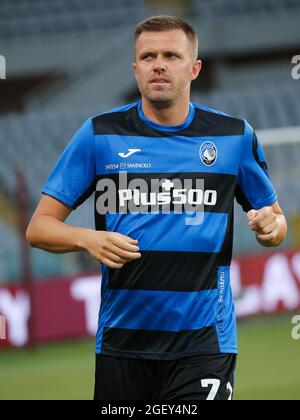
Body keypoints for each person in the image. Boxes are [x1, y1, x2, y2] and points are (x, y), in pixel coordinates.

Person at [26, 16, 288, 400]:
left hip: (205, 344)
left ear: (194, 67)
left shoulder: (233, 137)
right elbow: (39, 228)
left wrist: (271, 227)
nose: (158, 64)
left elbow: (277, 223)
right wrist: (86, 239)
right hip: (123, 344)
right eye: (147, 56)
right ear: (135, 69)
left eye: (171, 55)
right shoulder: (100, 134)